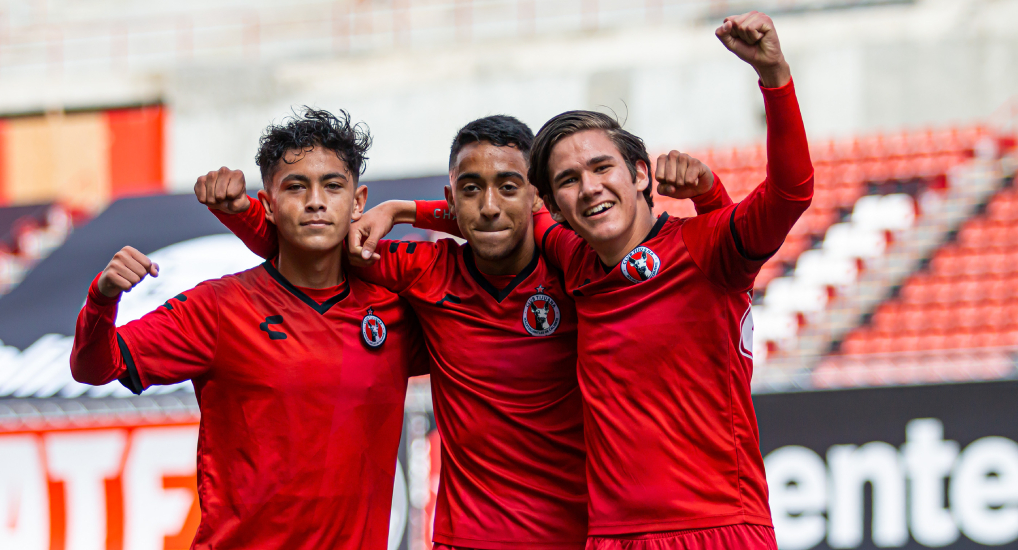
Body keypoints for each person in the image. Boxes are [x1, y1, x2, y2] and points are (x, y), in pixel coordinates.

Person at [202, 115, 733, 549]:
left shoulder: (576, 269)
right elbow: (312, 249)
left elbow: (728, 250)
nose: (490, 205)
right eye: (471, 190)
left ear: (537, 197)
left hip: (578, 536)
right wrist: (242, 213)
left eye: (509, 187)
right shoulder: (426, 271)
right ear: (453, 197)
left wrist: (406, 208)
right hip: (467, 540)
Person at [413, 11, 813, 550]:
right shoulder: (572, 258)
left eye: (602, 168)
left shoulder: (707, 248)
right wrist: (405, 210)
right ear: (555, 205)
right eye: (569, 180)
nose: (590, 188)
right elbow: (499, 216)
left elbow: (790, 193)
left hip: (716, 530)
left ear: (640, 173)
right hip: (611, 539)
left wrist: (774, 76)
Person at [70, 109, 427, 549]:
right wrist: (102, 299)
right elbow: (95, 368)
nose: (316, 201)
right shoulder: (217, 308)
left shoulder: (394, 313)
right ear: (269, 204)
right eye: (296, 187)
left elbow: (493, 250)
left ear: (358, 201)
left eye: (333, 185)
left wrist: (406, 210)